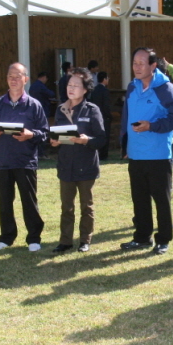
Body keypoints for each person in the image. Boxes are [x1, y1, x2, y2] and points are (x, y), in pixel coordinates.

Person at [119, 47, 173, 255]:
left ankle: (163, 239)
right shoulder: (131, 87)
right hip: (136, 154)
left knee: (161, 200)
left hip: (158, 155)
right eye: (134, 63)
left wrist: (151, 125)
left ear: (153, 66)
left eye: (141, 63)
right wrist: (125, 144)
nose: (136, 67)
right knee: (139, 198)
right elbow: (126, 117)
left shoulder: (165, 88)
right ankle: (142, 237)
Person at [0, 62, 49, 251]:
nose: (13, 79)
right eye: (10, 76)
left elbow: (44, 132)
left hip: (25, 161)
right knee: (4, 203)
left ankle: (34, 238)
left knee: (29, 202)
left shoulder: (34, 105)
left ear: (25, 80)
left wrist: (31, 134)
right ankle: (6, 238)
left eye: (18, 76)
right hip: (3, 161)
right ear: (6, 79)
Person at [50, 67, 106, 254]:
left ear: (85, 89)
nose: (71, 88)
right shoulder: (60, 110)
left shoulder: (92, 110)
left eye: (76, 85)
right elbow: (58, 136)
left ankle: (85, 240)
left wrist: (86, 140)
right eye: (69, 84)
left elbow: (101, 139)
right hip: (66, 165)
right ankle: (65, 241)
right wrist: (54, 141)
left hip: (86, 166)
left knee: (86, 206)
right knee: (66, 207)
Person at [90, 71, 113, 161]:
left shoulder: (94, 90)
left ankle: (97, 153)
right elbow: (106, 105)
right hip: (104, 116)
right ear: (104, 79)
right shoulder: (105, 91)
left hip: (95, 116)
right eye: (107, 78)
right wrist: (109, 116)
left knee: (96, 135)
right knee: (105, 136)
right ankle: (103, 154)